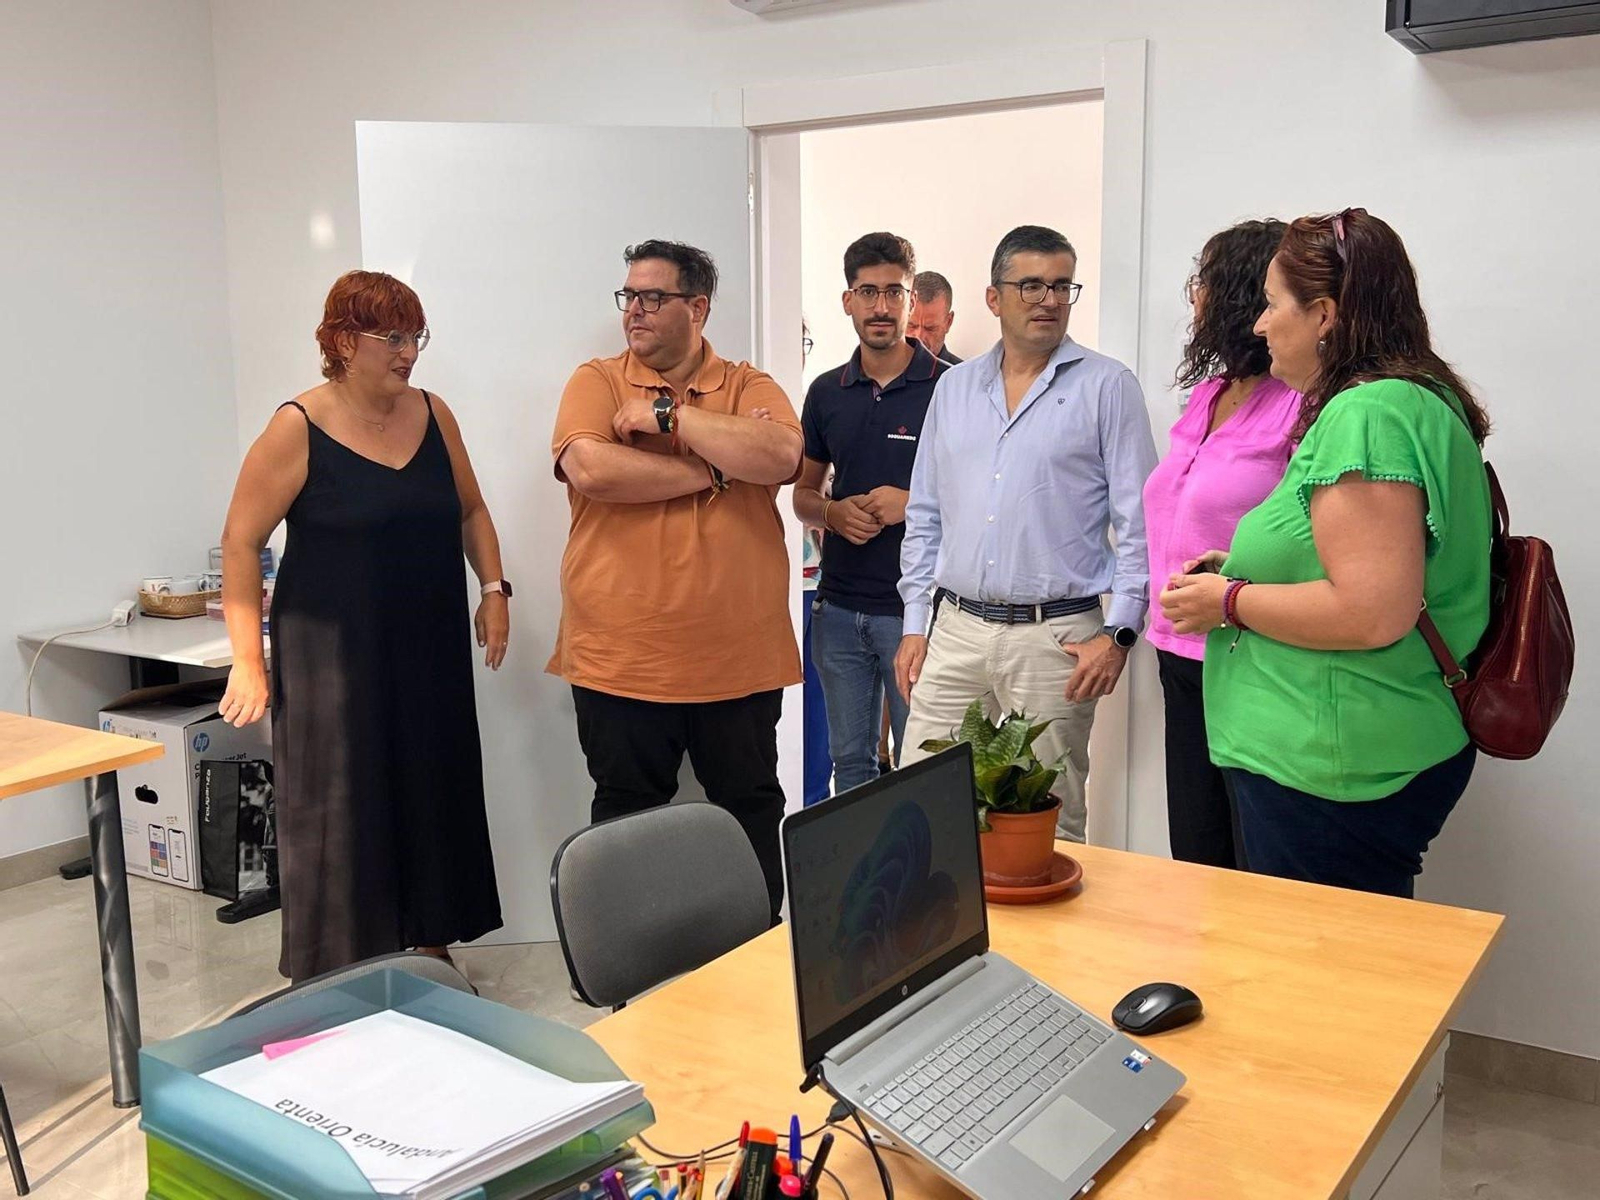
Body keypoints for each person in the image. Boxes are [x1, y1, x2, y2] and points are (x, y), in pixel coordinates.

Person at [1160, 209, 1492, 898]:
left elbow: (1372, 610)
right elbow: (1370, 561)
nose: (1258, 323)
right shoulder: (1416, 398)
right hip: (1352, 746)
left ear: (1324, 315)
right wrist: (1247, 570)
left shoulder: (1365, 415)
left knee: (1318, 986)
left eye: (1274, 305)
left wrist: (1228, 602)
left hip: (1333, 762)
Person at [218, 270, 507, 982]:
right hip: (329, 660)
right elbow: (239, 540)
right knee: (340, 804)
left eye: (416, 336)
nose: (410, 352)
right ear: (344, 342)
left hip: (428, 644)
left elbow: (471, 509)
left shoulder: (435, 414)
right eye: (393, 337)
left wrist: (494, 588)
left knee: (433, 786)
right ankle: (336, 967)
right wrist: (248, 660)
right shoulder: (298, 426)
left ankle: (432, 945)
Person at [549, 240, 803, 918]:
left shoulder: (750, 384)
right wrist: (716, 466)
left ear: (697, 307)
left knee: (748, 808)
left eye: (652, 297)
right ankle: (633, 985)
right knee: (627, 820)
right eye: (628, 296)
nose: (634, 310)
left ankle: (752, 962)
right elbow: (593, 471)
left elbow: (781, 455)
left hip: (738, 660)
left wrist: (670, 418)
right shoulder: (597, 380)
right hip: (621, 658)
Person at [896, 225, 1158, 843]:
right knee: (920, 809)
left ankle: (1044, 945)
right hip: (954, 631)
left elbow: (1141, 523)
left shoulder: (1107, 386)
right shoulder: (953, 389)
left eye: (1061, 285)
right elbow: (926, 515)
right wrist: (914, 625)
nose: (1048, 299)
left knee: (1046, 826)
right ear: (994, 298)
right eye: (1031, 284)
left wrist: (1119, 634)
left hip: (1057, 639)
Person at [1143, 219, 1299, 869]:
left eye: (1203, 282)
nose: (1194, 299)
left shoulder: (1301, 402)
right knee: (1199, 856)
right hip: (1179, 656)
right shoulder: (1207, 394)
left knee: (1256, 863)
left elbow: (1311, 541)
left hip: (1253, 657)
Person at [795, 233, 950, 793]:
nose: (881, 307)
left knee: (923, 771)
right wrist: (832, 514)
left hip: (920, 614)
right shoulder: (825, 393)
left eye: (893, 292)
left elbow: (988, 500)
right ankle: (860, 885)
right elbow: (803, 494)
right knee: (852, 771)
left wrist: (912, 504)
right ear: (848, 301)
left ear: (911, 300)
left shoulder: (949, 388)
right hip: (837, 611)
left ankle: (927, 884)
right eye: (868, 292)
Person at [908, 270, 961, 364]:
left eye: (930, 328)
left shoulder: (963, 377)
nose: (919, 337)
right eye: (911, 325)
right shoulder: (878, 370)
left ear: (948, 322)